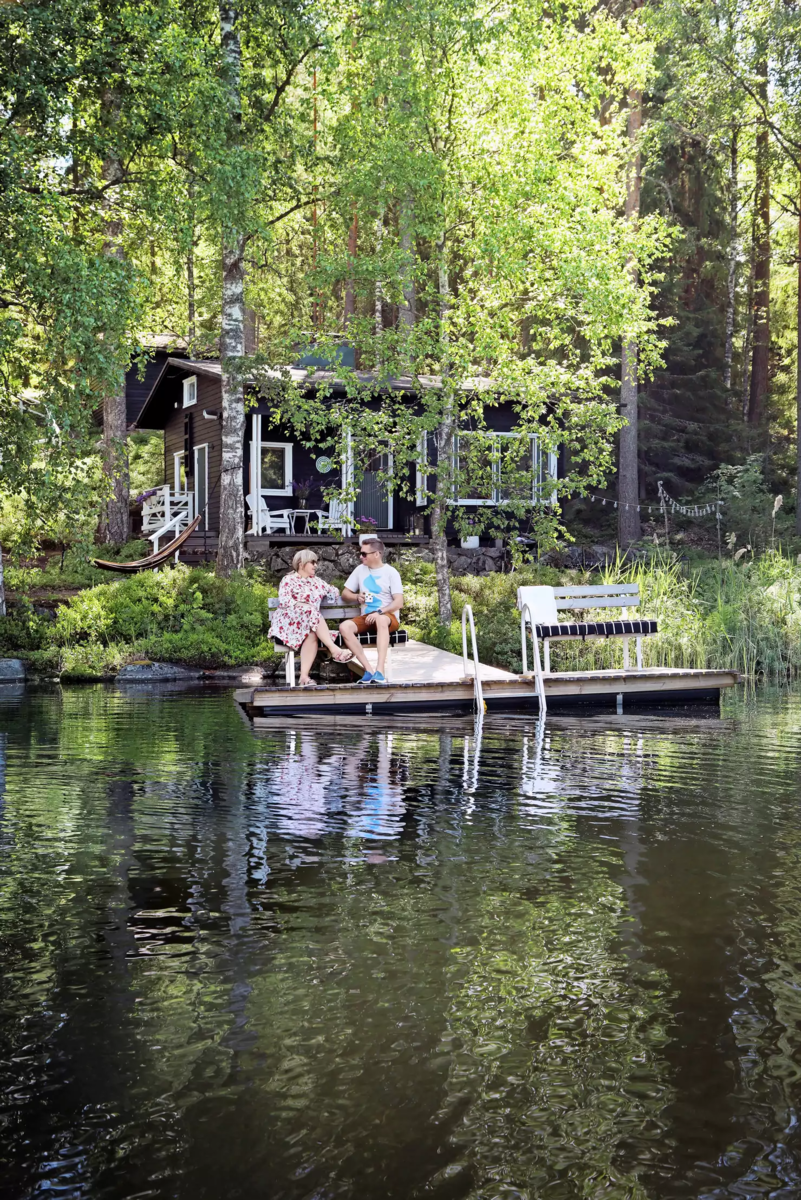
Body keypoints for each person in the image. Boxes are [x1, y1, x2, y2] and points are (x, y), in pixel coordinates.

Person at [269, 549, 352, 687]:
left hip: (310, 623)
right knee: (311, 611)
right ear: (301, 563)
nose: (316, 565)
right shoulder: (288, 580)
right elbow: (285, 601)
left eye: (316, 562)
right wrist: (304, 606)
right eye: (312, 562)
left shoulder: (317, 582)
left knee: (312, 633)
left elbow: (333, 590)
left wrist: (332, 592)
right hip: (289, 622)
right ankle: (334, 650)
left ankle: (303, 677)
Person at [339, 539, 404, 685]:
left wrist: (379, 612)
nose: (361, 557)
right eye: (360, 553)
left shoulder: (391, 572)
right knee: (345, 627)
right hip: (367, 617)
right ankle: (368, 670)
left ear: (376, 554)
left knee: (381, 619)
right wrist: (356, 596)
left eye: (364, 554)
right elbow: (345, 594)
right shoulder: (360, 570)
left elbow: (399, 602)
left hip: (387, 617)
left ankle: (380, 671)